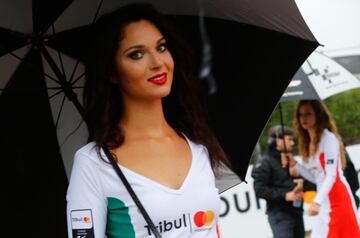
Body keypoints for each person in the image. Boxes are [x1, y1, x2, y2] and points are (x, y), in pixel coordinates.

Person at [66, 4, 230, 238]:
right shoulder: (94, 164)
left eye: (161, 47)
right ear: (112, 72)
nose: (157, 62)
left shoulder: (198, 145)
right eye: (136, 54)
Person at [289, 100, 360, 238]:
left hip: (338, 200)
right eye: (300, 114)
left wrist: (316, 202)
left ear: (318, 115)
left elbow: (331, 176)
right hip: (324, 201)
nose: (303, 118)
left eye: (308, 114)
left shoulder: (329, 138)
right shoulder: (309, 142)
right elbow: (316, 177)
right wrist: (295, 164)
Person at [251, 125, 306, 238]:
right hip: (279, 215)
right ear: (278, 141)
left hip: (297, 212)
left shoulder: (291, 160)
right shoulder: (265, 162)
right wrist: (285, 195)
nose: (292, 143)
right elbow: (259, 190)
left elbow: (312, 184)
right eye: (289, 139)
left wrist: (299, 178)